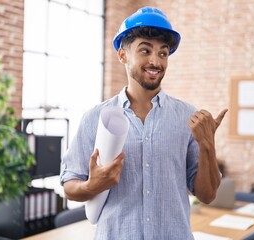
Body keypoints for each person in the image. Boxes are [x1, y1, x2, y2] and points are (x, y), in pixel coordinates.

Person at [60, 6, 227, 240]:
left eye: (163, 53)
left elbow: (207, 195)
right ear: (122, 55)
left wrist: (207, 145)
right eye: (145, 50)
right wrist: (92, 185)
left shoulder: (188, 117)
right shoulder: (95, 118)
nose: (155, 61)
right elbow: (69, 185)